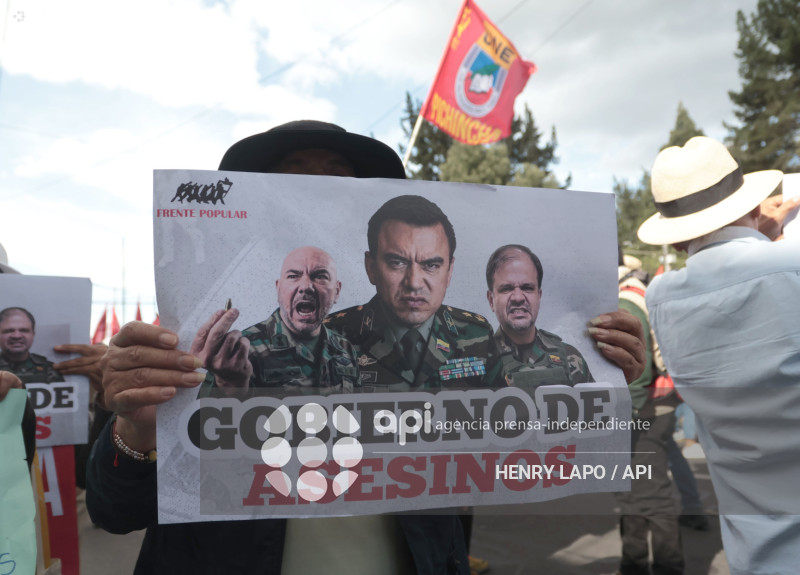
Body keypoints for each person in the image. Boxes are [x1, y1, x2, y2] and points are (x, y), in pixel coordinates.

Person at [87, 120, 648, 575]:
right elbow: (115, 509)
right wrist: (136, 430)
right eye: (295, 183)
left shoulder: (465, 338)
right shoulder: (208, 347)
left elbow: (533, 435)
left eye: (339, 181)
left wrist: (603, 370)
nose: (321, 193)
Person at [637, 135, 800, 575]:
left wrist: (754, 234)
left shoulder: (661, 296)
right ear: (751, 205)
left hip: (754, 551)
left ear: (675, 238)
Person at [325, 194, 494, 390]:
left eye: (431, 265)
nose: (414, 283)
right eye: (397, 263)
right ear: (371, 268)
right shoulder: (329, 339)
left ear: (449, 271)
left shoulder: (478, 336)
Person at [196, 246, 359, 396]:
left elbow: (358, 413)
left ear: (337, 291)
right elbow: (201, 424)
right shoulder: (240, 351)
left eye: (320, 276)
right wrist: (229, 387)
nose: (306, 286)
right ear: (278, 289)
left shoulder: (344, 348)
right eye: (293, 276)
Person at [616, 250, 683, 575]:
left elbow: (636, 374)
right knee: (636, 493)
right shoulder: (631, 292)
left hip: (644, 409)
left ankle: (663, 566)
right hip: (652, 404)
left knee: (650, 495)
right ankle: (635, 564)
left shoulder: (624, 301)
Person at [483, 244, 593, 389]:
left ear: (538, 296)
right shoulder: (480, 361)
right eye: (507, 289)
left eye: (527, 288)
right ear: (491, 300)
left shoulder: (569, 358)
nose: (518, 297)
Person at [0, 307, 65, 384]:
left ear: (33, 334)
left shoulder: (49, 369)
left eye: (24, 330)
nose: (17, 336)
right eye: (9, 331)